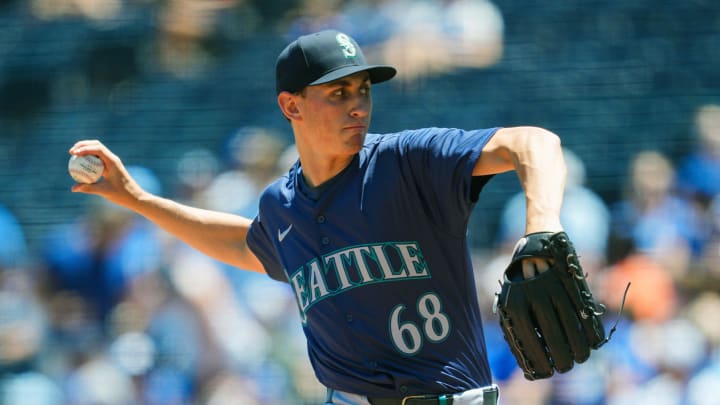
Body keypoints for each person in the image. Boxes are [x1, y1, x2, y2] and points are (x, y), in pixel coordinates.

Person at [69, 29, 570, 405]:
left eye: (363, 91)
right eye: (338, 94)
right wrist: (136, 198)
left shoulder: (408, 161)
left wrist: (542, 225)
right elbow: (246, 244)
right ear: (292, 106)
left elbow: (534, 143)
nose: (358, 106)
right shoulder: (281, 207)